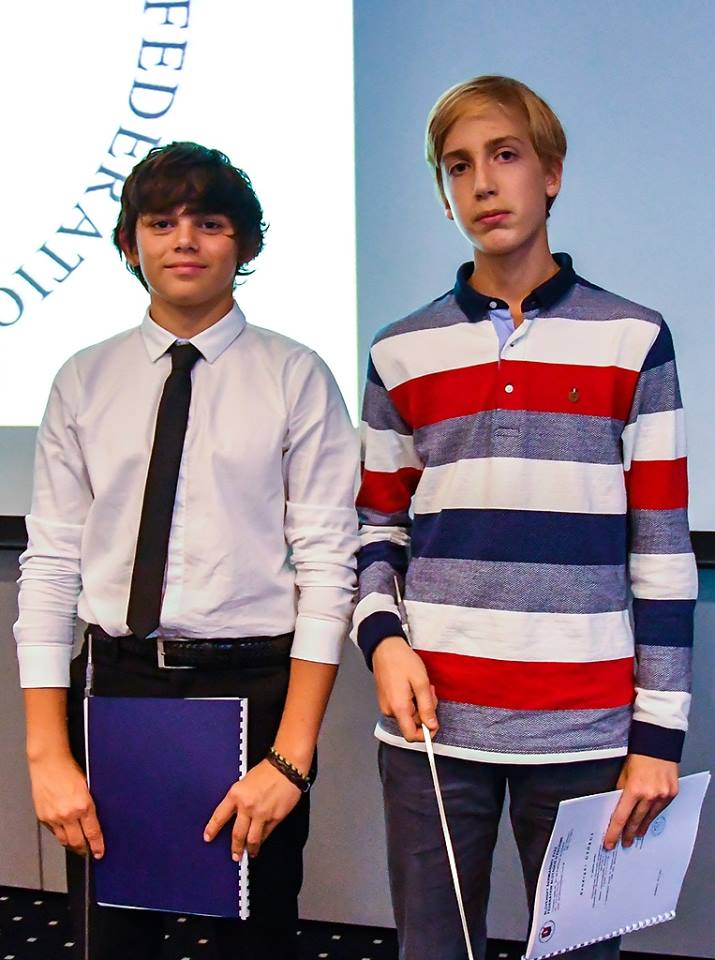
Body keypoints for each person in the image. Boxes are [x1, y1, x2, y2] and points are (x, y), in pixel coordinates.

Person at [353, 75, 697, 960]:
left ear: (550, 174)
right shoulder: (399, 348)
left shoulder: (633, 337)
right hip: (434, 729)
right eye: (457, 165)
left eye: (504, 155)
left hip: (586, 731)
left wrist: (657, 737)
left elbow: (661, 548)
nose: (482, 182)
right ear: (444, 193)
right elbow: (376, 529)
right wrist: (383, 640)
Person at [15, 141, 359, 960]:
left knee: (252, 936)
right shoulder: (83, 379)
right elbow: (51, 564)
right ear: (129, 243)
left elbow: (326, 568)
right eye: (161, 223)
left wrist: (292, 756)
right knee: (112, 939)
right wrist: (47, 753)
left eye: (209, 222)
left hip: (253, 687)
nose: (184, 241)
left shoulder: (295, 374)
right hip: (117, 682)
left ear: (244, 243)